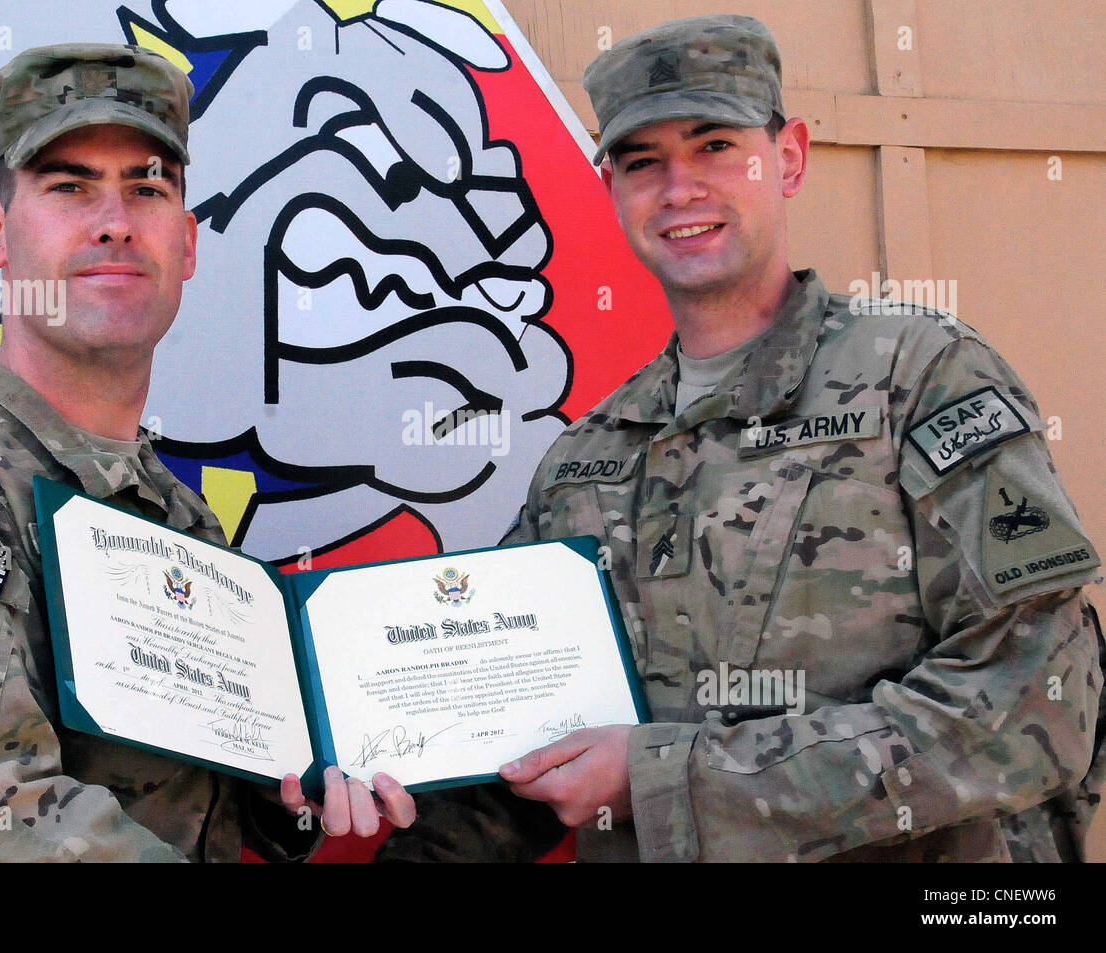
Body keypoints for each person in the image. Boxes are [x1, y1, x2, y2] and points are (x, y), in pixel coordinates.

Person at [378, 14, 1105, 862]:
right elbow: (517, 752)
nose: (679, 188)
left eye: (715, 145)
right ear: (610, 187)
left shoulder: (923, 377)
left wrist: (667, 778)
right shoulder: (585, 462)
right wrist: (379, 773)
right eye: (643, 162)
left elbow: (1034, 705)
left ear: (787, 157)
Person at [0, 42, 413, 861]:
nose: (116, 221)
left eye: (147, 187)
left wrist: (288, 800)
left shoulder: (179, 521)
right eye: (69, 186)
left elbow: (191, 808)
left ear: (187, 246)